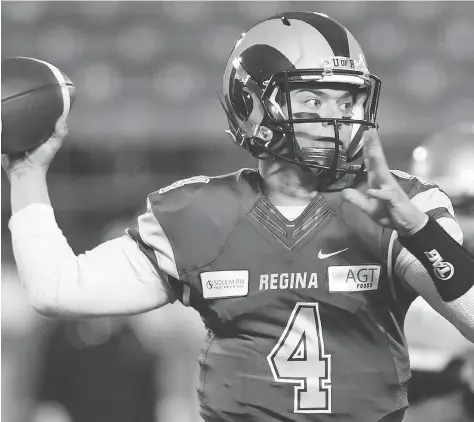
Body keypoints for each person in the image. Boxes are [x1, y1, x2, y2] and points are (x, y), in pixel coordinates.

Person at [3, 11, 474, 422]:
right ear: (251, 104)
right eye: (313, 100)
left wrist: (417, 230)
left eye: (347, 101)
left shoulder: (405, 203)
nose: (338, 118)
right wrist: (26, 174)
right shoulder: (197, 213)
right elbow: (58, 290)